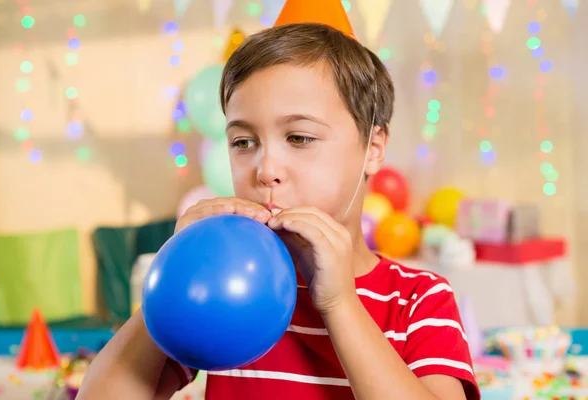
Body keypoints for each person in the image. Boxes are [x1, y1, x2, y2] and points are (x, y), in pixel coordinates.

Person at [78, 23, 479, 400]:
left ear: (373, 149)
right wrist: (175, 274)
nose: (266, 169)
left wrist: (339, 303)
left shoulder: (418, 299)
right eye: (243, 142)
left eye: (299, 137)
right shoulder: (225, 281)